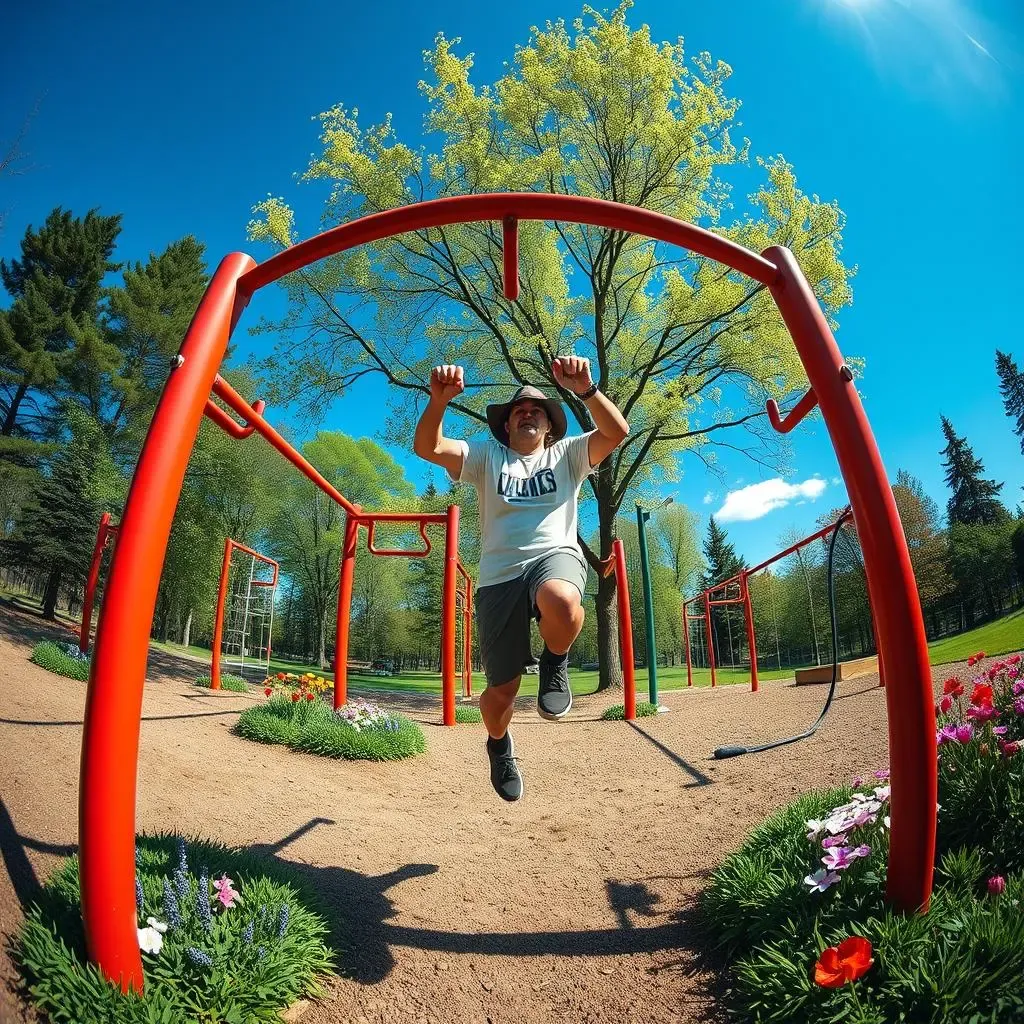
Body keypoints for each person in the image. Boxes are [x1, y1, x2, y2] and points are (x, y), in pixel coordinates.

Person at [413, 358, 630, 802]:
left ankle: (554, 662)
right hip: (499, 579)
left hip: (555, 557)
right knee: (501, 696)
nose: (528, 413)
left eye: (537, 410)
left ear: (550, 426)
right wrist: (438, 402)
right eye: (519, 411)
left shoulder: (567, 455)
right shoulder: (486, 456)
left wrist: (586, 389)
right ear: (507, 426)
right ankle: (498, 745)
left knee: (564, 600)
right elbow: (428, 447)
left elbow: (616, 433)